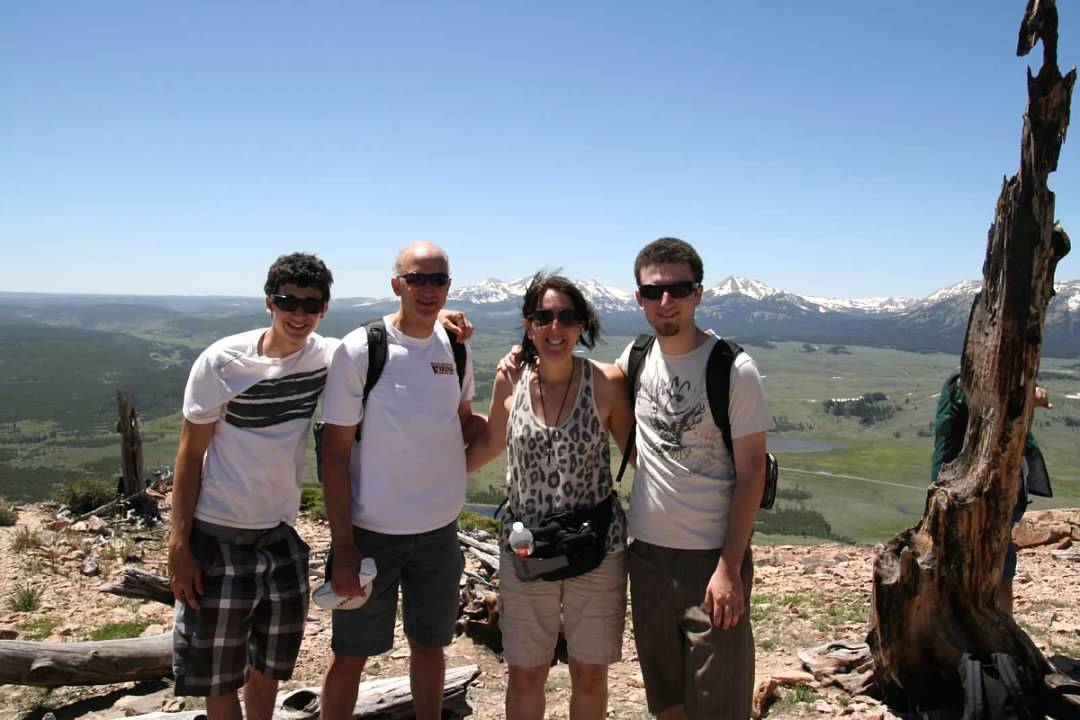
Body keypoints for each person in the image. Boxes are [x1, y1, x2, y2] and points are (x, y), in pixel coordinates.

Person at [318, 241, 485, 720]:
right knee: (350, 653)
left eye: (438, 280)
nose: (428, 290)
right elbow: (334, 453)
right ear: (397, 284)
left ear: (448, 286)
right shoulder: (361, 350)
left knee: (430, 646)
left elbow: (459, 422)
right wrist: (343, 545)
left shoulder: (454, 347)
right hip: (372, 533)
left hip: (438, 532)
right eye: (418, 279)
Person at [169, 252, 336, 720]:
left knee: (270, 669)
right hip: (217, 535)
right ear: (269, 302)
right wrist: (179, 544)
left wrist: (439, 316)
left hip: (281, 536)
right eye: (289, 302)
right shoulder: (223, 362)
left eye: (311, 304)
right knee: (218, 675)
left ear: (324, 309)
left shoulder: (324, 355)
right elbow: (189, 454)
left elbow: (382, 342)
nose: (299, 314)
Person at [466, 272, 633, 720]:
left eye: (566, 317)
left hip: (596, 546)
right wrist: (429, 478)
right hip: (527, 546)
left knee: (590, 673)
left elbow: (638, 457)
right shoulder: (510, 381)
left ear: (582, 325)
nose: (554, 328)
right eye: (544, 316)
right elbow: (489, 445)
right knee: (525, 671)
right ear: (529, 323)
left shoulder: (607, 382)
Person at [619, 237, 772, 720]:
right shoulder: (637, 357)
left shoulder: (734, 369)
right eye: (653, 291)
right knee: (667, 701)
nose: (666, 301)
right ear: (639, 297)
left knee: (719, 704)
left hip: (711, 561)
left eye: (679, 289)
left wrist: (729, 568)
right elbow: (584, 379)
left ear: (699, 294)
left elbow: (751, 474)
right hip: (645, 558)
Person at [931, 377, 1053, 615]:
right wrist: (1027, 397)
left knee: (998, 559)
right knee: (973, 560)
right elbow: (988, 407)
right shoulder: (964, 385)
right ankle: (979, 630)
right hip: (967, 491)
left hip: (1000, 490)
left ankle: (997, 630)